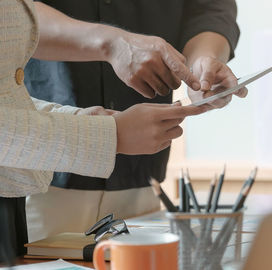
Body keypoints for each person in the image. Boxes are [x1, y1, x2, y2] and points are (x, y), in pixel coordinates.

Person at [0, 0, 211, 257]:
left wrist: (95, 126)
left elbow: (8, 100)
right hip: (38, 182)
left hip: (133, 173)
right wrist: (108, 135)